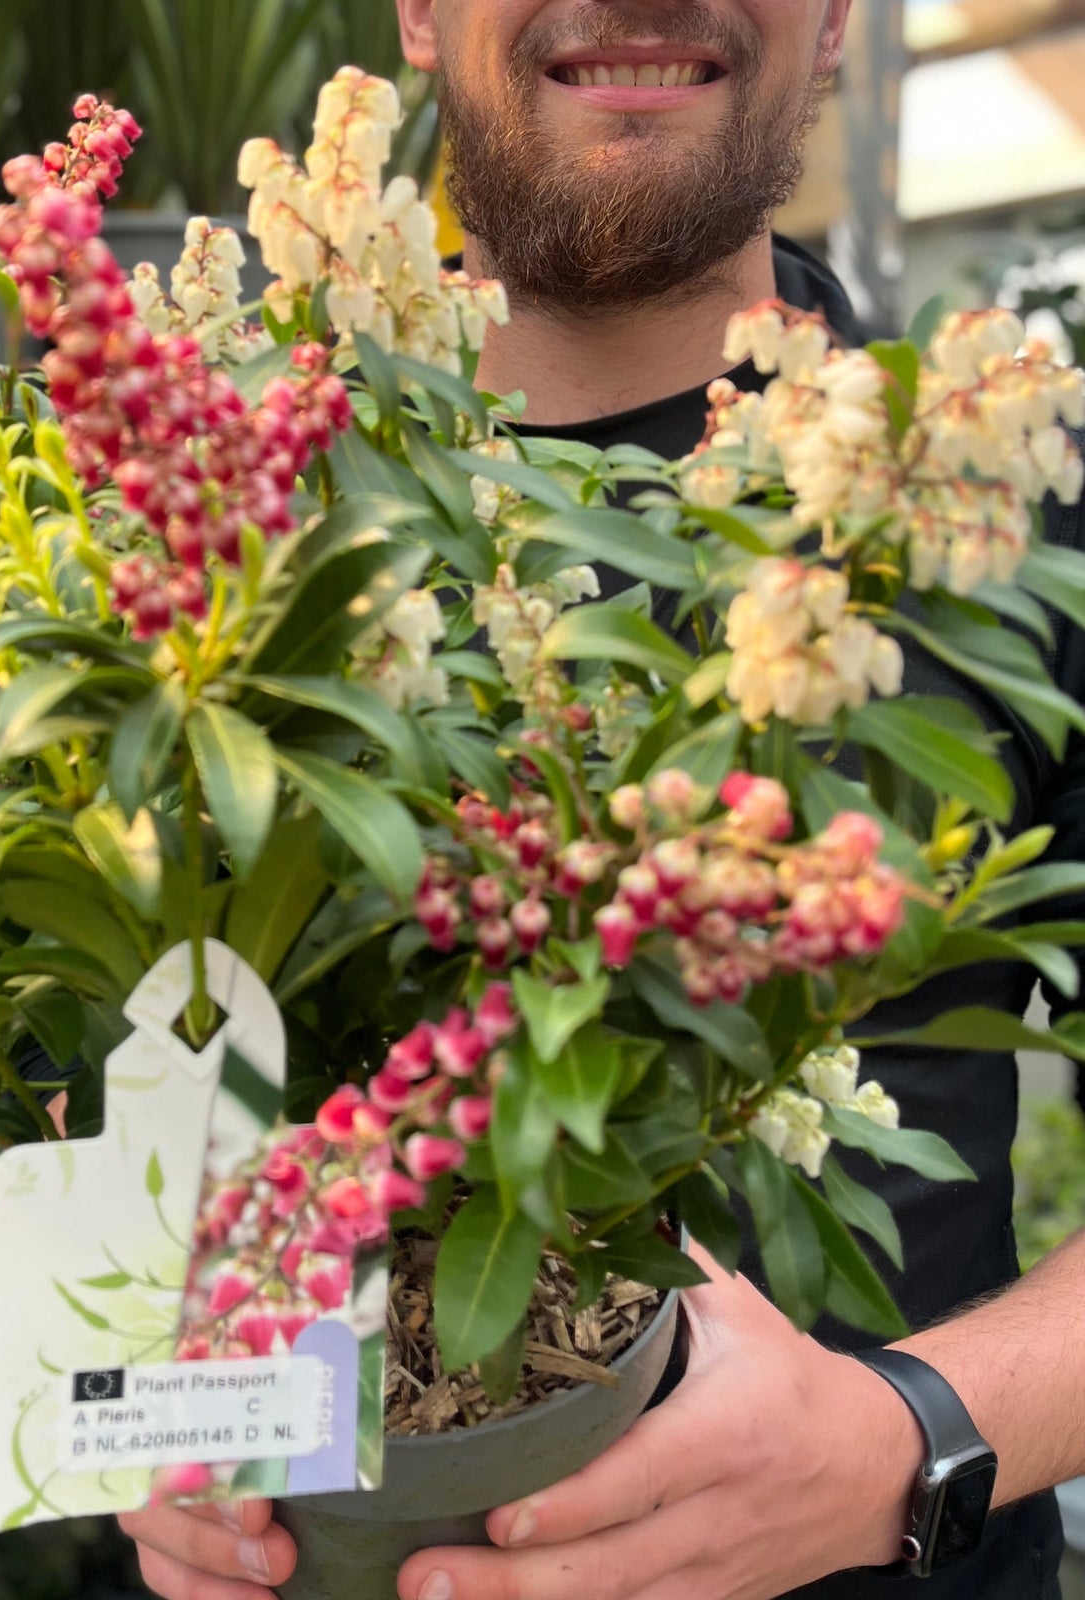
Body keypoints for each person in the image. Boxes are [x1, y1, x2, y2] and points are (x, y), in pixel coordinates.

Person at [118, 3, 1085, 1597]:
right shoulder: (219, 516)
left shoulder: (998, 512)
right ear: (419, 13)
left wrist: (907, 1439)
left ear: (839, 17)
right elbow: (120, 1098)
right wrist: (143, 1435)